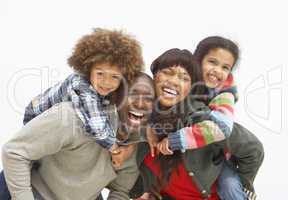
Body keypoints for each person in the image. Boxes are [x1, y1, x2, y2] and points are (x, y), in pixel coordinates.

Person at [130, 48, 264, 200]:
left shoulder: (204, 121)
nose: (173, 81)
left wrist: (242, 184)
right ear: (154, 77)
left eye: (184, 78)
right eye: (167, 72)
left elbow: (253, 149)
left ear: (191, 88)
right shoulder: (139, 115)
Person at [1, 72, 155, 200]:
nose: (141, 103)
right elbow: (14, 152)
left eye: (149, 98)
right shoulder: (71, 117)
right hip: (26, 191)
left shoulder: (135, 143)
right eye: (133, 94)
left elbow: (121, 190)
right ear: (116, 97)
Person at [24, 27, 144, 153]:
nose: (106, 82)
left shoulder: (102, 90)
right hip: (35, 116)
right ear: (88, 69)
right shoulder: (81, 86)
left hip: (59, 121)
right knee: (35, 152)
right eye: (100, 74)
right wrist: (114, 148)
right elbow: (97, 126)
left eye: (114, 76)